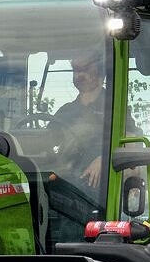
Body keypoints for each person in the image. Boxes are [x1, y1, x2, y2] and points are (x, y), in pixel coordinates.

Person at [40, 48, 112, 247]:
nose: (78, 75)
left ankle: (68, 256)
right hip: (67, 178)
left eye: (83, 69)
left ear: (99, 71)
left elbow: (129, 138)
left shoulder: (113, 105)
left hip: (98, 188)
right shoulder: (66, 111)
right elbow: (47, 140)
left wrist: (103, 159)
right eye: (74, 70)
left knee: (75, 204)